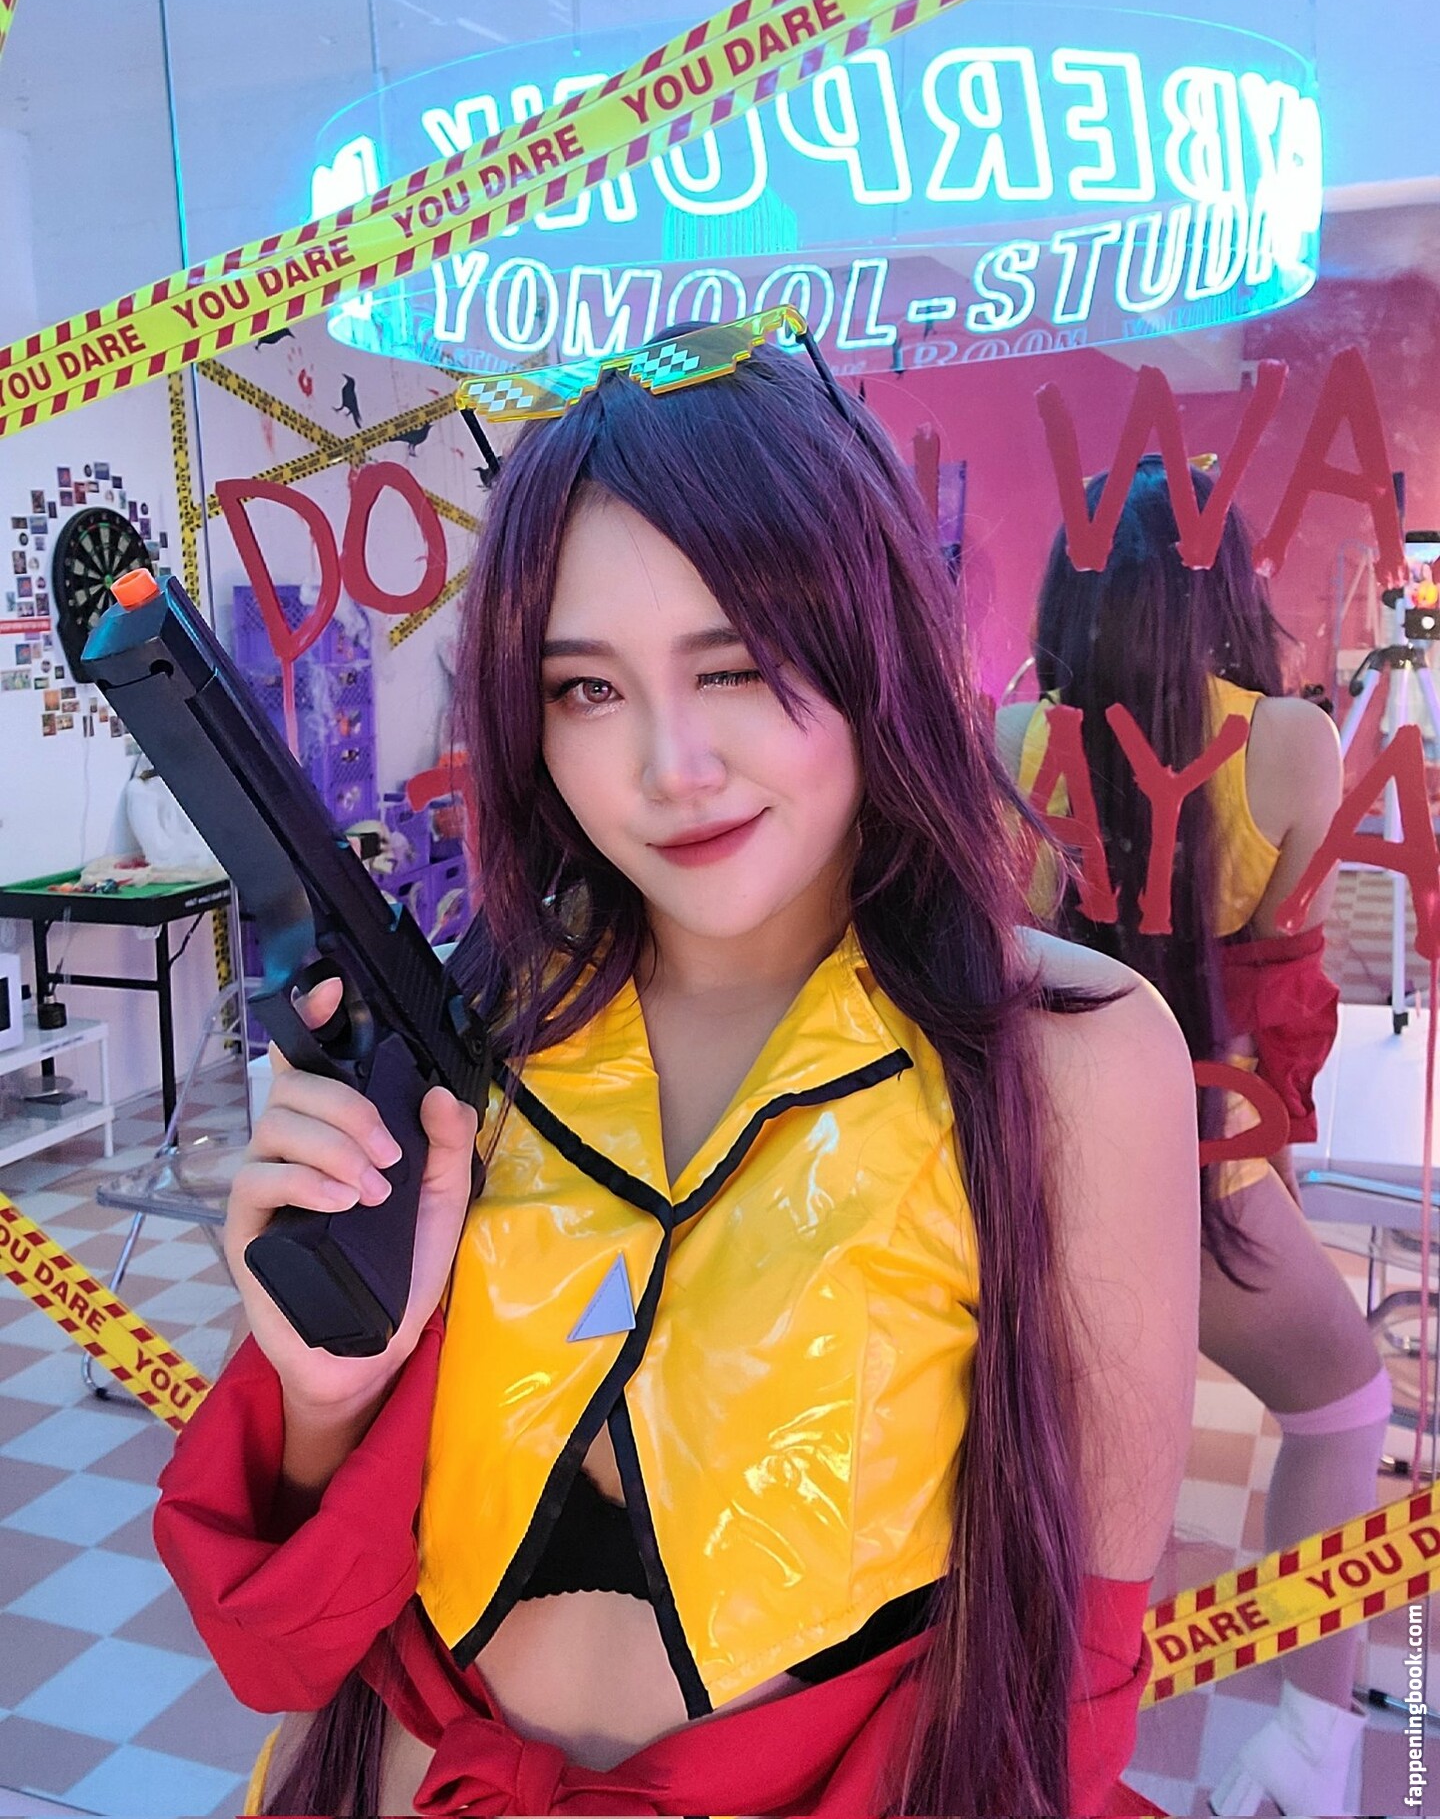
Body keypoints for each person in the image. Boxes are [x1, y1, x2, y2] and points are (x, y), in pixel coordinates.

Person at [154, 314, 1200, 1818]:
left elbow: (1071, 1670)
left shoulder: (1062, 1057)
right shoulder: (482, 1022)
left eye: (738, 666)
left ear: (876, 645)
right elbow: (290, 1648)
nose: (671, 767)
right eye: (585, 689)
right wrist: (327, 1391)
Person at [996, 457, 1392, 1819]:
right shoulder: (1293, 742)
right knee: (1344, 1404)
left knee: (1058, 1455)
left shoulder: (1011, 736)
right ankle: (1311, 1736)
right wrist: (1269, 1156)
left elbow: (1004, 964)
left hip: (1036, 1139)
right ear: (1226, 584)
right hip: (1203, 1141)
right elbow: (1285, 994)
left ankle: (1022, 1731)